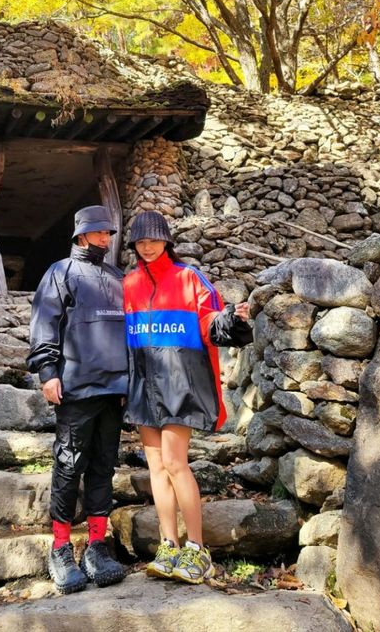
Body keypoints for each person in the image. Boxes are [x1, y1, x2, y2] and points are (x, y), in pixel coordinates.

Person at [123, 210, 253, 584]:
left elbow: (210, 322)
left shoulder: (188, 277)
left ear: (167, 240)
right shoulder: (129, 283)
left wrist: (234, 319)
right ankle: (168, 545)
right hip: (144, 386)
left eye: (153, 239)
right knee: (156, 469)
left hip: (180, 384)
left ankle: (196, 549)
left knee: (176, 464)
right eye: (140, 241)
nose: (147, 246)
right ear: (133, 245)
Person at [28, 205, 128, 594]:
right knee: (69, 466)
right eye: (100, 233)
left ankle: (97, 546)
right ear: (82, 235)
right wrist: (47, 372)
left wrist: (129, 383)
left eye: (108, 234)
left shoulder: (119, 277)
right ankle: (60, 548)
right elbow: (44, 322)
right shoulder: (60, 272)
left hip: (114, 389)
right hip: (76, 385)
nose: (106, 240)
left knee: (103, 466)